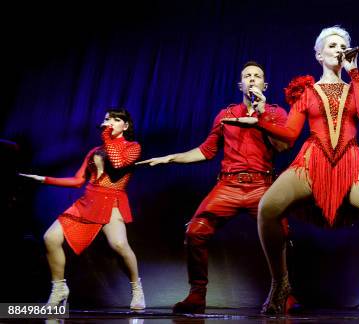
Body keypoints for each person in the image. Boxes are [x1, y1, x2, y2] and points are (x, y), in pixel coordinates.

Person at [229, 26, 359, 315]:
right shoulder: (306, 90)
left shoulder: (358, 86)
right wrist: (260, 119)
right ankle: (280, 283)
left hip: (351, 164)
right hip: (311, 162)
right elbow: (289, 134)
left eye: (342, 46)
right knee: (267, 208)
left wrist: (354, 72)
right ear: (318, 54)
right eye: (332, 46)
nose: (338, 50)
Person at [137, 61, 295, 314]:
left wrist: (262, 113)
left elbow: (283, 147)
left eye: (257, 76)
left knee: (281, 234)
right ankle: (197, 295)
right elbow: (206, 151)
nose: (252, 79)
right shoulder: (225, 115)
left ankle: (283, 293)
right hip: (229, 184)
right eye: (247, 76)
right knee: (195, 232)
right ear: (240, 84)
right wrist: (170, 157)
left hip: (261, 185)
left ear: (265, 85)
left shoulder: (276, 113)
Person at [20, 108, 145, 310]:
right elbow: (78, 180)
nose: (109, 122)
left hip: (112, 200)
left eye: (115, 119)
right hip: (89, 200)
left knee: (119, 245)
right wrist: (44, 179)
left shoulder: (133, 147)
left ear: (126, 125)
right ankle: (59, 288)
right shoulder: (94, 151)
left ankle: (136, 288)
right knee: (50, 237)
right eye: (107, 119)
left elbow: (118, 162)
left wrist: (107, 137)